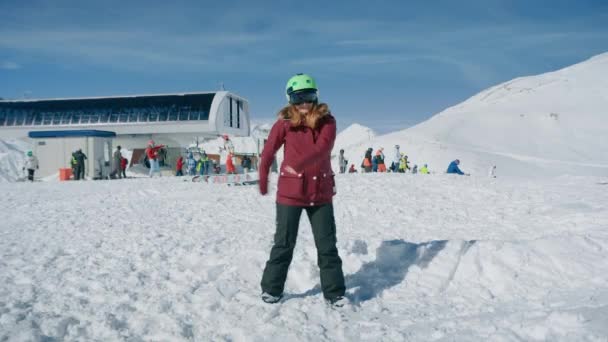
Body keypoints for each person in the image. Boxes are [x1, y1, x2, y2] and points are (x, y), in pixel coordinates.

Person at [258, 73, 346, 307]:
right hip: (290, 194)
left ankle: (335, 292)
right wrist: (263, 177)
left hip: (320, 193)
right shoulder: (283, 124)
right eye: (299, 98)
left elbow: (322, 149)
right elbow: (268, 152)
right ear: (290, 100)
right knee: (283, 244)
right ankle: (272, 289)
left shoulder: (328, 121)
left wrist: (296, 164)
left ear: (316, 97)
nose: (305, 104)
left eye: (309, 97)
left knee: (327, 245)